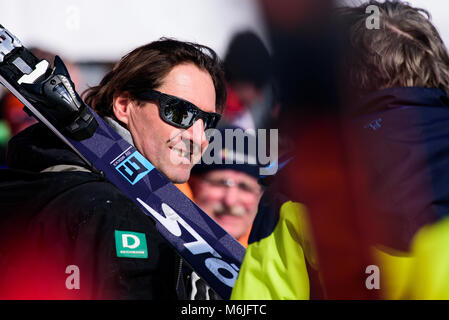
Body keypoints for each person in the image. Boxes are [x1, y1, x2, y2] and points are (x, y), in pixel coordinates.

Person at [0, 38, 226, 299]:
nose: (199, 139)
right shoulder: (117, 212)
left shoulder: (41, 176)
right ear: (124, 106)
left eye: (208, 121)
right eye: (179, 113)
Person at [189, 126, 264, 247]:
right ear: (192, 184)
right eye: (220, 183)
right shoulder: (155, 245)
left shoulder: (273, 262)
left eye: (245, 187)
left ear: (260, 197)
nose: (230, 201)